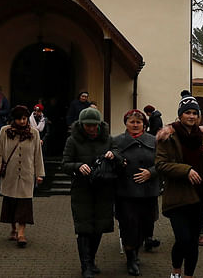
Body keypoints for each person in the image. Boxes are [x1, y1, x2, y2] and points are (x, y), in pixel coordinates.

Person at [156, 93, 203, 278]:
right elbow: (160, 164)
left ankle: (188, 275)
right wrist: (186, 170)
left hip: (199, 196)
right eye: (187, 113)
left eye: (194, 113)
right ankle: (176, 272)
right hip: (177, 196)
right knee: (183, 239)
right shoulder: (168, 136)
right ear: (180, 115)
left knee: (192, 242)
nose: (191, 116)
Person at [62, 107, 117, 278]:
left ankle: (91, 260)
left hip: (103, 190)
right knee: (84, 228)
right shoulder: (72, 141)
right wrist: (78, 166)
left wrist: (113, 155)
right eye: (88, 125)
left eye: (94, 125)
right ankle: (85, 265)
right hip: (82, 190)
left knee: (99, 227)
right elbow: (65, 164)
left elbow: (119, 157)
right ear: (81, 124)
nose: (91, 128)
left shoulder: (108, 139)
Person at [112, 109, 160, 276]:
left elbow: (163, 162)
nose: (135, 125)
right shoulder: (116, 141)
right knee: (129, 225)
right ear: (126, 123)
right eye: (131, 122)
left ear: (144, 125)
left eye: (138, 122)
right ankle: (131, 258)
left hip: (148, 192)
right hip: (125, 192)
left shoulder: (154, 141)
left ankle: (136, 252)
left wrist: (151, 173)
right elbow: (109, 162)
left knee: (145, 225)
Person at [0, 105, 45, 248]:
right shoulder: (5, 131)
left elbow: (38, 155)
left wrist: (40, 174)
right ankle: (13, 228)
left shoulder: (34, 133)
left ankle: (21, 233)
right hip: (10, 173)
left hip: (27, 174)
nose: (22, 121)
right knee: (10, 203)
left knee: (24, 204)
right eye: (19, 119)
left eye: (24, 118)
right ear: (13, 119)